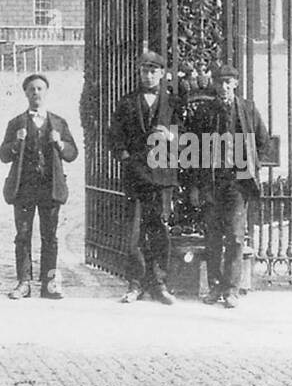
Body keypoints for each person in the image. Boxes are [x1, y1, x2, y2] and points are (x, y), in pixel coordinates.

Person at [192, 64, 270, 310]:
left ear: (235, 84)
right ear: (215, 84)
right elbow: (193, 151)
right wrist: (196, 186)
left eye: (229, 82)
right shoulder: (206, 112)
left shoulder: (247, 109)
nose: (224, 87)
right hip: (213, 182)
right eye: (220, 82)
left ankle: (231, 289)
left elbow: (264, 142)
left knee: (236, 236)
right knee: (213, 236)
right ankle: (215, 285)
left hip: (238, 184)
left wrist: (249, 163)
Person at [106, 50, 178, 305]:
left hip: (162, 176)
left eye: (153, 71)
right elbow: (114, 136)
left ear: (162, 74)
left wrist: (171, 137)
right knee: (134, 232)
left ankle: (159, 283)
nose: (148, 75)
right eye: (144, 71)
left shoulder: (172, 103)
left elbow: (188, 138)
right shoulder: (126, 102)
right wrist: (126, 158)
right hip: (135, 176)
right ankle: (135, 283)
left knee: (159, 229)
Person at [0, 73, 78, 300]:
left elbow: (72, 153)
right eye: (31, 89)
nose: (36, 93)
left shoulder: (59, 123)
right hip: (24, 188)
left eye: (40, 89)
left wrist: (60, 142)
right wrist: (17, 143)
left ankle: (49, 283)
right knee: (23, 235)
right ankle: (24, 283)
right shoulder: (16, 123)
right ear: (25, 93)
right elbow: (3, 154)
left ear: (46, 92)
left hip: (49, 187)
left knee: (50, 236)